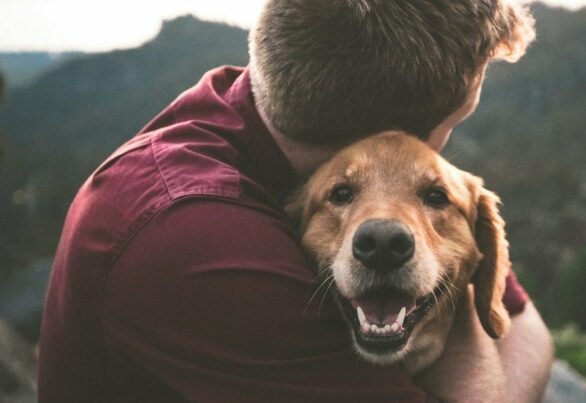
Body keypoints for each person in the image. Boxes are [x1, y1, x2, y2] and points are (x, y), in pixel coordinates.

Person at [38, 0, 552, 401]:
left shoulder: (258, 109)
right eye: (455, 122)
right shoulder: (195, 239)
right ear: (390, 132)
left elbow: (528, 329)